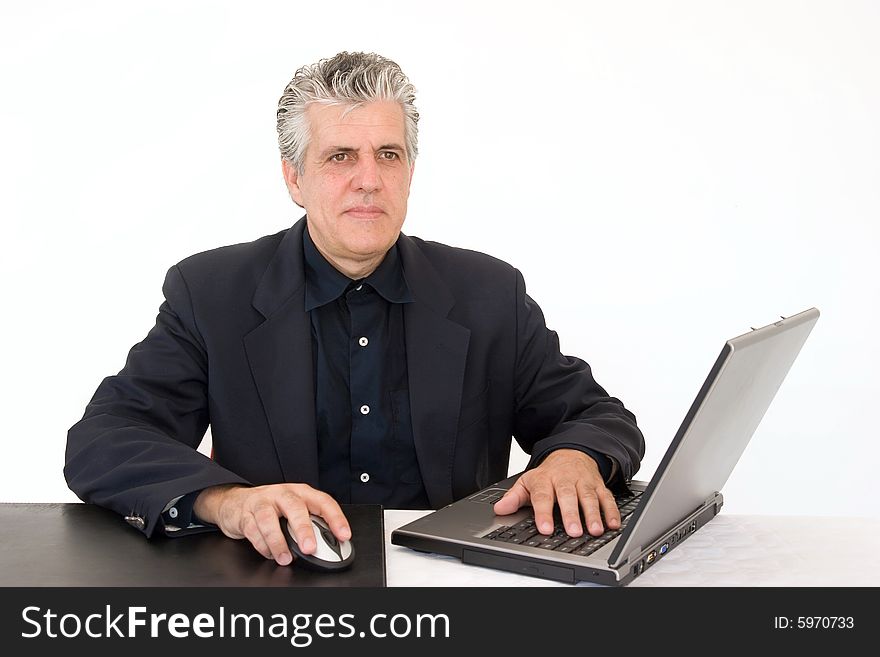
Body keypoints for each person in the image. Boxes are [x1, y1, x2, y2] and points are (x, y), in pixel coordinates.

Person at [65, 51, 645, 567]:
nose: (369, 181)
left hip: (454, 586)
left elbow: (599, 417)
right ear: (295, 177)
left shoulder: (488, 292)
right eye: (340, 156)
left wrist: (575, 457)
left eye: (388, 155)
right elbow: (105, 437)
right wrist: (228, 502)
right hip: (275, 585)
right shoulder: (211, 292)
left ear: (410, 173)